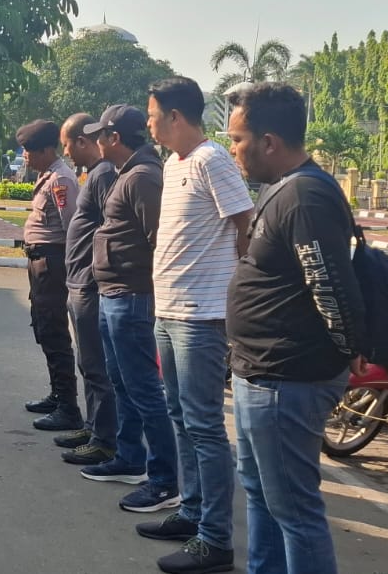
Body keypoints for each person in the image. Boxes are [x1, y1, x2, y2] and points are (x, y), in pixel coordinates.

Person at [226, 83, 367, 574]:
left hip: (287, 377)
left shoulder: (306, 196)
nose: (233, 150)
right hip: (261, 372)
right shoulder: (282, 187)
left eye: (238, 140)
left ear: (269, 142)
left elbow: (330, 285)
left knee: (294, 509)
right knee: (263, 495)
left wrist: (348, 347)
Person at [140, 77, 256, 573]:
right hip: (169, 311)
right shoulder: (174, 164)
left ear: (175, 116)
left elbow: (246, 224)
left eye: (153, 115)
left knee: (204, 425)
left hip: (202, 315)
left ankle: (215, 539)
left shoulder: (212, 159)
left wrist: (235, 288)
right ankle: (191, 512)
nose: (148, 124)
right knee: (180, 417)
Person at [79, 104, 181, 515]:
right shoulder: (129, 173)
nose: (96, 142)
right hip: (115, 293)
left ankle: (164, 481)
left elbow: (160, 241)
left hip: (132, 297)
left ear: (114, 137)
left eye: (100, 135)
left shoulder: (142, 177)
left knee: (144, 390)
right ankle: (130, 458)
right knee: (122, 382)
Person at [54, 114, 120, 466]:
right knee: (88, 362)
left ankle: (105, 440)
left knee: (97, 365)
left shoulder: (105, 174)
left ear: (82, 141)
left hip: (91, 283)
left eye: (67, 145)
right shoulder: (94, 173)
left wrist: (95, 271)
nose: (67, 153)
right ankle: (94, 426)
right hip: (79, 279)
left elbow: (113, 227)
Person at [16, 119, 83, 432]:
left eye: (29, 150)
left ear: (45, 150)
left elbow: (72, 229)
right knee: (44, 328)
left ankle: (68, 407)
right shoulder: (48, 176)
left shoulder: (61, 180)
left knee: (54, 332)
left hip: (53, 263)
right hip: (41, 263)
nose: (25, 156)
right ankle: (58, 395)